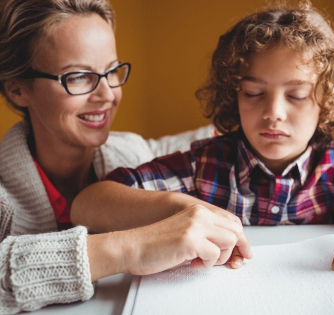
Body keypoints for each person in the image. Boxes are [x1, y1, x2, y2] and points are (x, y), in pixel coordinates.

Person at [72, 1, 334, 274]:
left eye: (298, 95)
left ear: (327, 100)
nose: (274, 112)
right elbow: (87, 204)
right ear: (233, 95)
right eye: (254, 93)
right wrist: (182, 208)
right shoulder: (206, 164)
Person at [0, 0, 251, 313]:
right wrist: (133, 246)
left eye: (111, 71)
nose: (107, 94)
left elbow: (208, 142)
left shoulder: (131, 153)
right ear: (17, 90)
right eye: (78, 76)